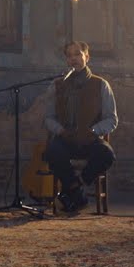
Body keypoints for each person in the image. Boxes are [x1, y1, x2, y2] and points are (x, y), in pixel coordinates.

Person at [43, 41, 118, 213]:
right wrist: (60, 130)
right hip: (66, 139)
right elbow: (48, 118)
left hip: (90, 140)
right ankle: (77, 194)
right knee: (52, 151)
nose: (73, 59)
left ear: (87, 57)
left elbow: (111, 119)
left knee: (106, 154)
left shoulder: (101, 84)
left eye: (77, 54)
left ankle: (73, 189)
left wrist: (93, 131)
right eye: (69, 56)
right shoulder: (57, 85)